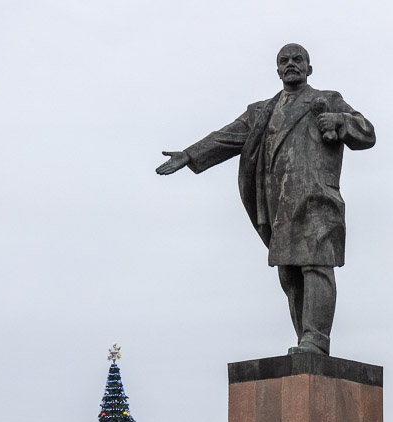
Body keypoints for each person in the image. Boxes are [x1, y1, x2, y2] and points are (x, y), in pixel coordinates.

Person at [157, 44, 375, 356]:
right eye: (284, 61)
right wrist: (190, 155)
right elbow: (226, 137)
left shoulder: (327, 99)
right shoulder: (262, 112)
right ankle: (306, 343)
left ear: (309, 68)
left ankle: (316, 340)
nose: (291, 64)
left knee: (315, 265)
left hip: (317, 199)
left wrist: (340, 121)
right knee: (289, 273)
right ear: (277, 71)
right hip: (279, 207)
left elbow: (367, 133)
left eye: (297, 59)